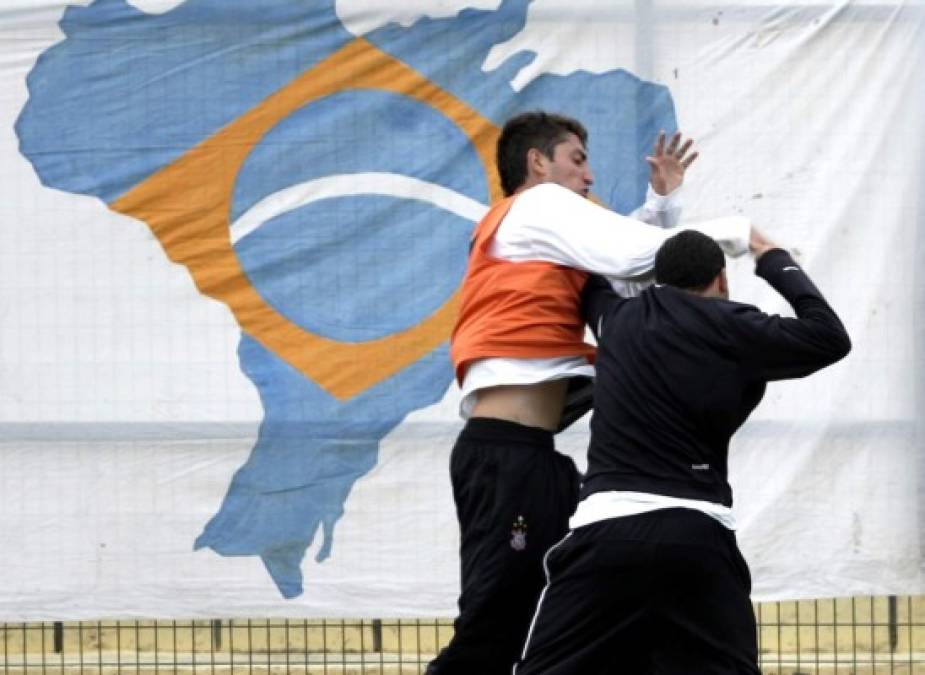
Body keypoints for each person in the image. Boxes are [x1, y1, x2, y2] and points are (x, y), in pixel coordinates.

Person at [427, 111, 756, 675]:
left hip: (535, 459)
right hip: (506, 456)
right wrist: (746, 238)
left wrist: (661, 204)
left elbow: (630, 276)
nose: (589, 177)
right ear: (537, 163)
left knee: (572, 616)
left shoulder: (550, 234)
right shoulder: (535, 206)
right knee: (494, 623)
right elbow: (633, 255)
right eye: (577, 160)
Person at [514, 229, 851, 674]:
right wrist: (772, 259)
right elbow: (830, 336)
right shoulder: (735, 326)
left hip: (605, 538)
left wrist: (645, 209)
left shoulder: (617, 321)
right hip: (697, 539)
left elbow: (589, 276)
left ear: (657, 280)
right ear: (722, 281)